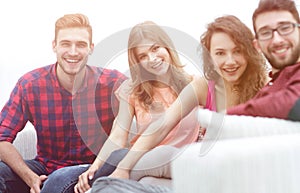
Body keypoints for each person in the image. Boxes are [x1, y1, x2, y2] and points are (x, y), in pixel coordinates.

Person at [0, 13, 127, 193]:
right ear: (55, 46)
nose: (73, 52)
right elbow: (2, 137)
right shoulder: (30, 84)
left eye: (81, 45)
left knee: (59, 179)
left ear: (91, 48)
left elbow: (145, 103)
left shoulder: (112, 83)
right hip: (45, 167)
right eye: (66, 44)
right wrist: (30, 177)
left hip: (90, 170)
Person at [74, 21, 200, 193]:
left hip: (176, 164)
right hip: (138, 162)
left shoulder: (194, 86)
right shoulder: (132, 89)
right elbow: (118, 135)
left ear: (167, 46)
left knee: (118, 163)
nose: (152, 59)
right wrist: (94, 167)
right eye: (143, 56)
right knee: (134, 174)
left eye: (155, 48)